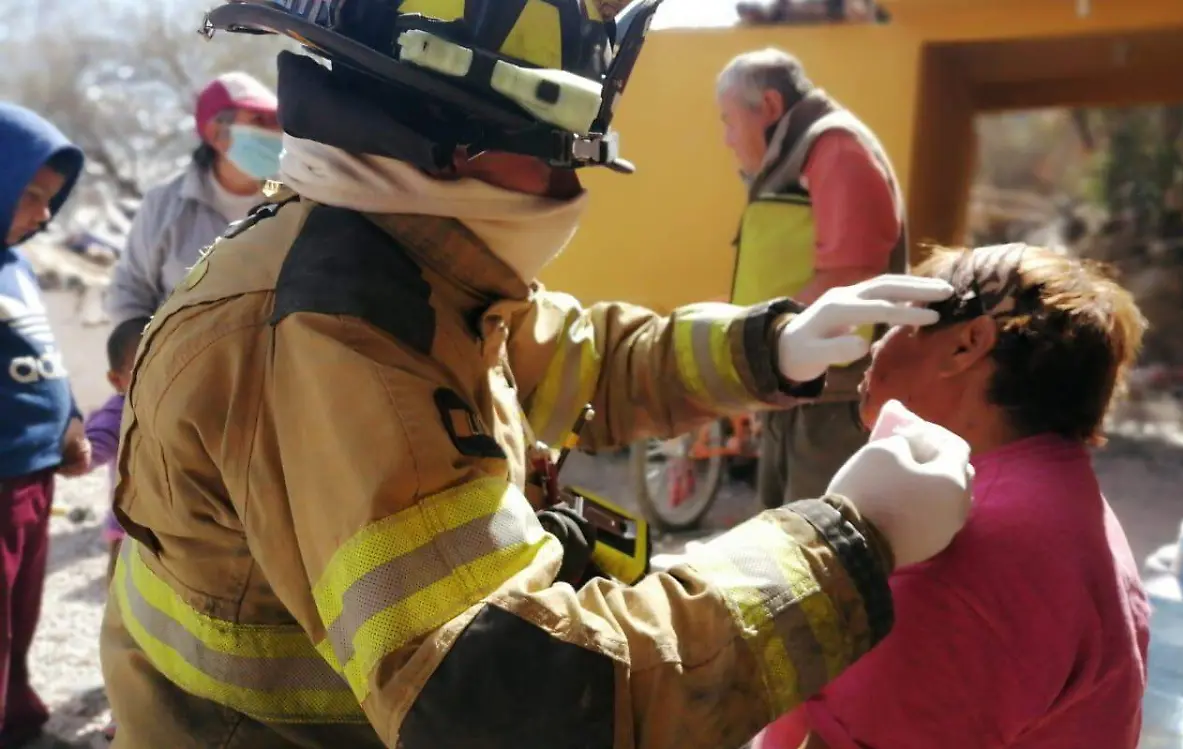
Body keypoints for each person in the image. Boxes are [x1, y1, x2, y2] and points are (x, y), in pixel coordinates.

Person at [100, 3, 973, 747]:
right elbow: (512, 696)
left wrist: (772, 346)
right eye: (553, 150)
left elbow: (583, 359)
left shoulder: (413, 253)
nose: (568, 186)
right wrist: (845, 545)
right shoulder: (342, 331)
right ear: (446, 137)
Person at [754, 243, 1152, 749]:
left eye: (904, 320)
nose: (877, 345)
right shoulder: (1060, 498)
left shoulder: (967, 545)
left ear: (967, 345)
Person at [717, 47, 906, 508]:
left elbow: (851, 274)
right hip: (799, 392)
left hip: (835, 403)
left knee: (816, 551)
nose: (726, 138)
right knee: (781, 541)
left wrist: (759, 343)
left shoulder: (835, 148)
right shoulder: (800, 153)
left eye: (728, 120)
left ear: (769, 107)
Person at [0, 102, 90, 748]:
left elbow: (44, 358)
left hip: (35, 477)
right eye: (32, 194)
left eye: (52, 199)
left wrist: (71, 418)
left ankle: (18, 715)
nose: (46, 214)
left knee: (22, 610)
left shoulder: (18, 268)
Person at [105, 71, 281, 325]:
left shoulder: (294, 201)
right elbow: (130, 292)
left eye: (277, 121)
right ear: (217, 133)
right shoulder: (165, 206)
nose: (275, 133)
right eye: (259, 121)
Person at [82, 315, 147, 744]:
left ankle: (157, 704)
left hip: (172, 540)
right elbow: (97, 442)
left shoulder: (186, 400)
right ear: (117, 379)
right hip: (126, 540)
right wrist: (80, 453)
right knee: (124, 629)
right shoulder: (117, 411)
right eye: (141, 365)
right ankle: (123, 709)